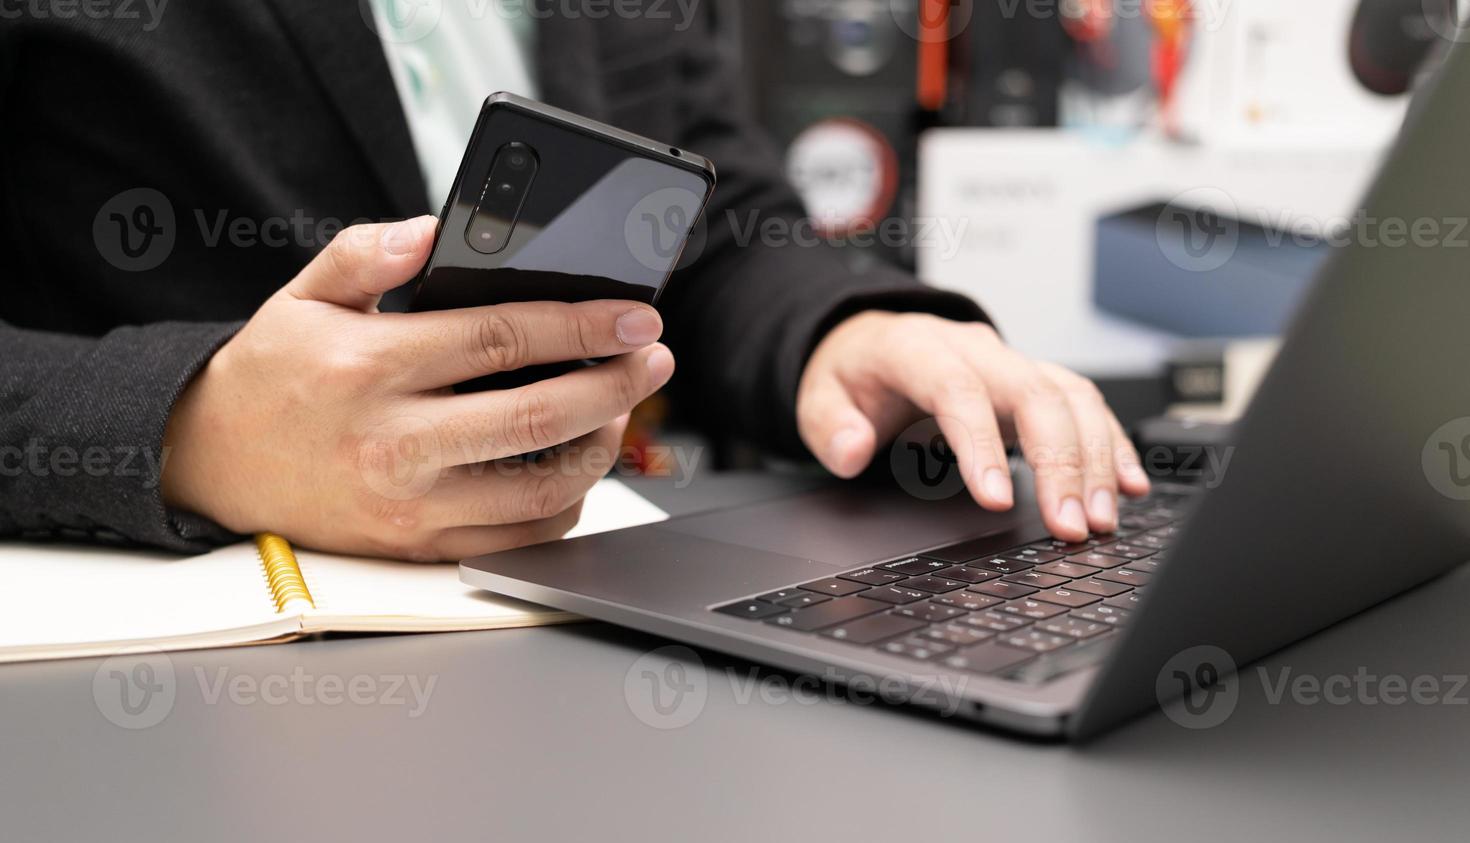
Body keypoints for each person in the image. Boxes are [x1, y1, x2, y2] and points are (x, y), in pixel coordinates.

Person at [0, 0, 1148, 563]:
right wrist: (185, 427)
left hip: (564, 620)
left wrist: (844, 326)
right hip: (194, 665)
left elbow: (719, 218)